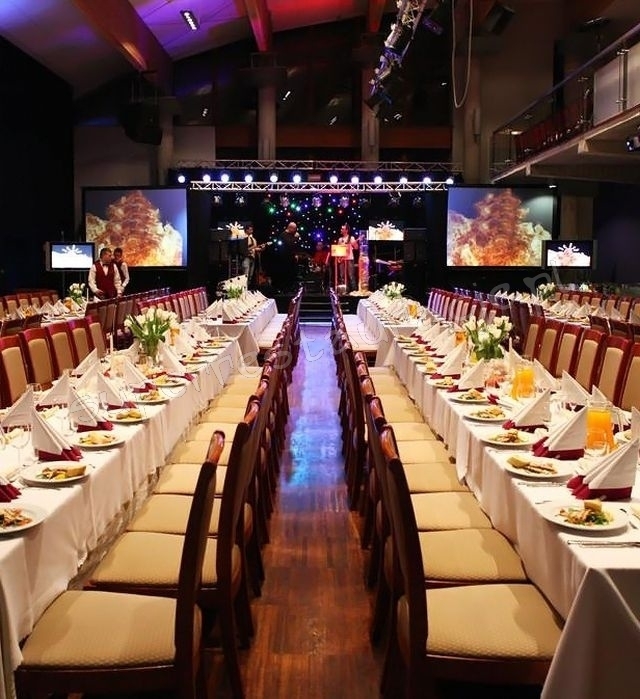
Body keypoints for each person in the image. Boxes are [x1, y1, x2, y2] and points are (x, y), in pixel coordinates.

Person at [279, 221, 301, 292]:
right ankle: (285, 289)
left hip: (291, 258)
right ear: (290, 228)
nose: (295, 231)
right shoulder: (283, 235)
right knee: (286, 274)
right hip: (285, 258)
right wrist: (295, 238)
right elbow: (289, 244)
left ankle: (291, 288)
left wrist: (296, 254)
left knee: (292, 274)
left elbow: (295, 246)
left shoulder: (292, 235)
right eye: (295, 229)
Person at [336, 223, 359, 293]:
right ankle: (344, 291)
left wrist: (354, 243)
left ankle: (354, 291)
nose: (341, 230)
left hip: (349, 259)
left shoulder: (351, 238)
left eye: (342, 229)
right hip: (342, 259)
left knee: (351, 275)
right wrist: (338, 258)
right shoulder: (340, 239)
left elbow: (356, 248)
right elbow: (338, 250)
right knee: (342, 276)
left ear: (346, 230)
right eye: (341, 229)